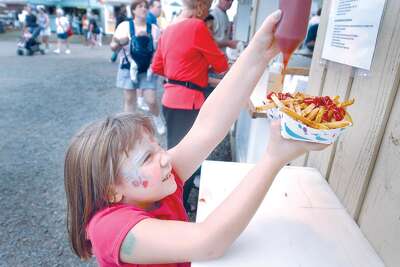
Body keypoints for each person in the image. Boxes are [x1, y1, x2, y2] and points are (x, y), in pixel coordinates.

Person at [65, 10, 330, 266]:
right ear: (111, 190)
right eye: (147, 157)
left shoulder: (157, 184)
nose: (165, 158)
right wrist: (273, 158)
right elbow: (208, 242)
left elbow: (208, 127)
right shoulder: (109, 229)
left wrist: (260, 52)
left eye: (157, 147)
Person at [151, 0, 228, 213]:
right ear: (202, 5)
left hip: (170, 99)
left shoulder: (168, 30)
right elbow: (221, 64)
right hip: (189, 101)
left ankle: (171, 204)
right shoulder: (196, 27)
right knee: (186, 161)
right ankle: (177, 208)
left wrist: (187, 67)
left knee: (174, 156)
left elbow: (157, 66)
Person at [110, 0, 165, 134]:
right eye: (140, 6)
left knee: (151, 100)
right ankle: (129, 127)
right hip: (128, 67)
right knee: (130, 99)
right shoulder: (124, 26)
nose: (144, 9)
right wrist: (119, 42)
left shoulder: (154, 29)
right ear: (133, 10)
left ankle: (157, 119)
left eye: (145, 7)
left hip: (148, 69)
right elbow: (113, 47)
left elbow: (159, 51)